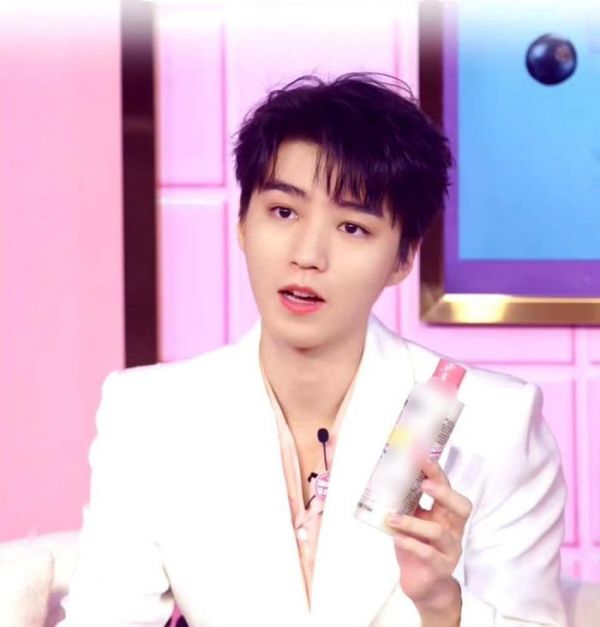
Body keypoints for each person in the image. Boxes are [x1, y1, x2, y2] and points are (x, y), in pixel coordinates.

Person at [59, 73, 566, 627]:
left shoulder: (496, 423)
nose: (308, 254)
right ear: (242, 223)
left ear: (402, 259)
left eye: (352, 227)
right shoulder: (148, 413)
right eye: (283, 212)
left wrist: (443, 606)